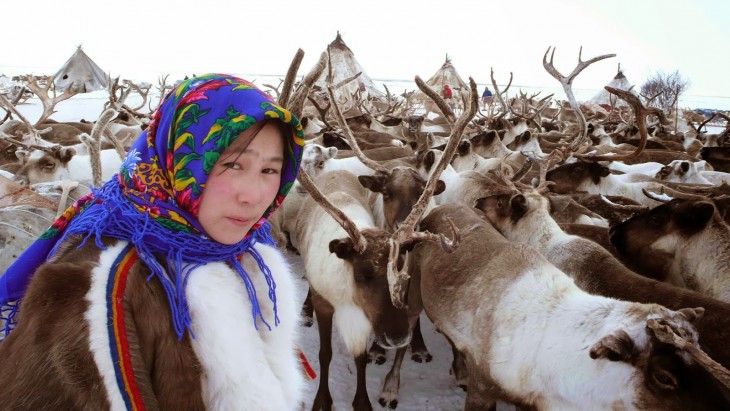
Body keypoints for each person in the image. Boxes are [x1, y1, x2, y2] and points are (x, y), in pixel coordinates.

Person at [0, 74, 312, 409]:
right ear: (180, 159)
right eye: (232, 164)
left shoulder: (247, 252)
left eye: (269, 171)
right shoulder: (92, 292)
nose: (254, 196)